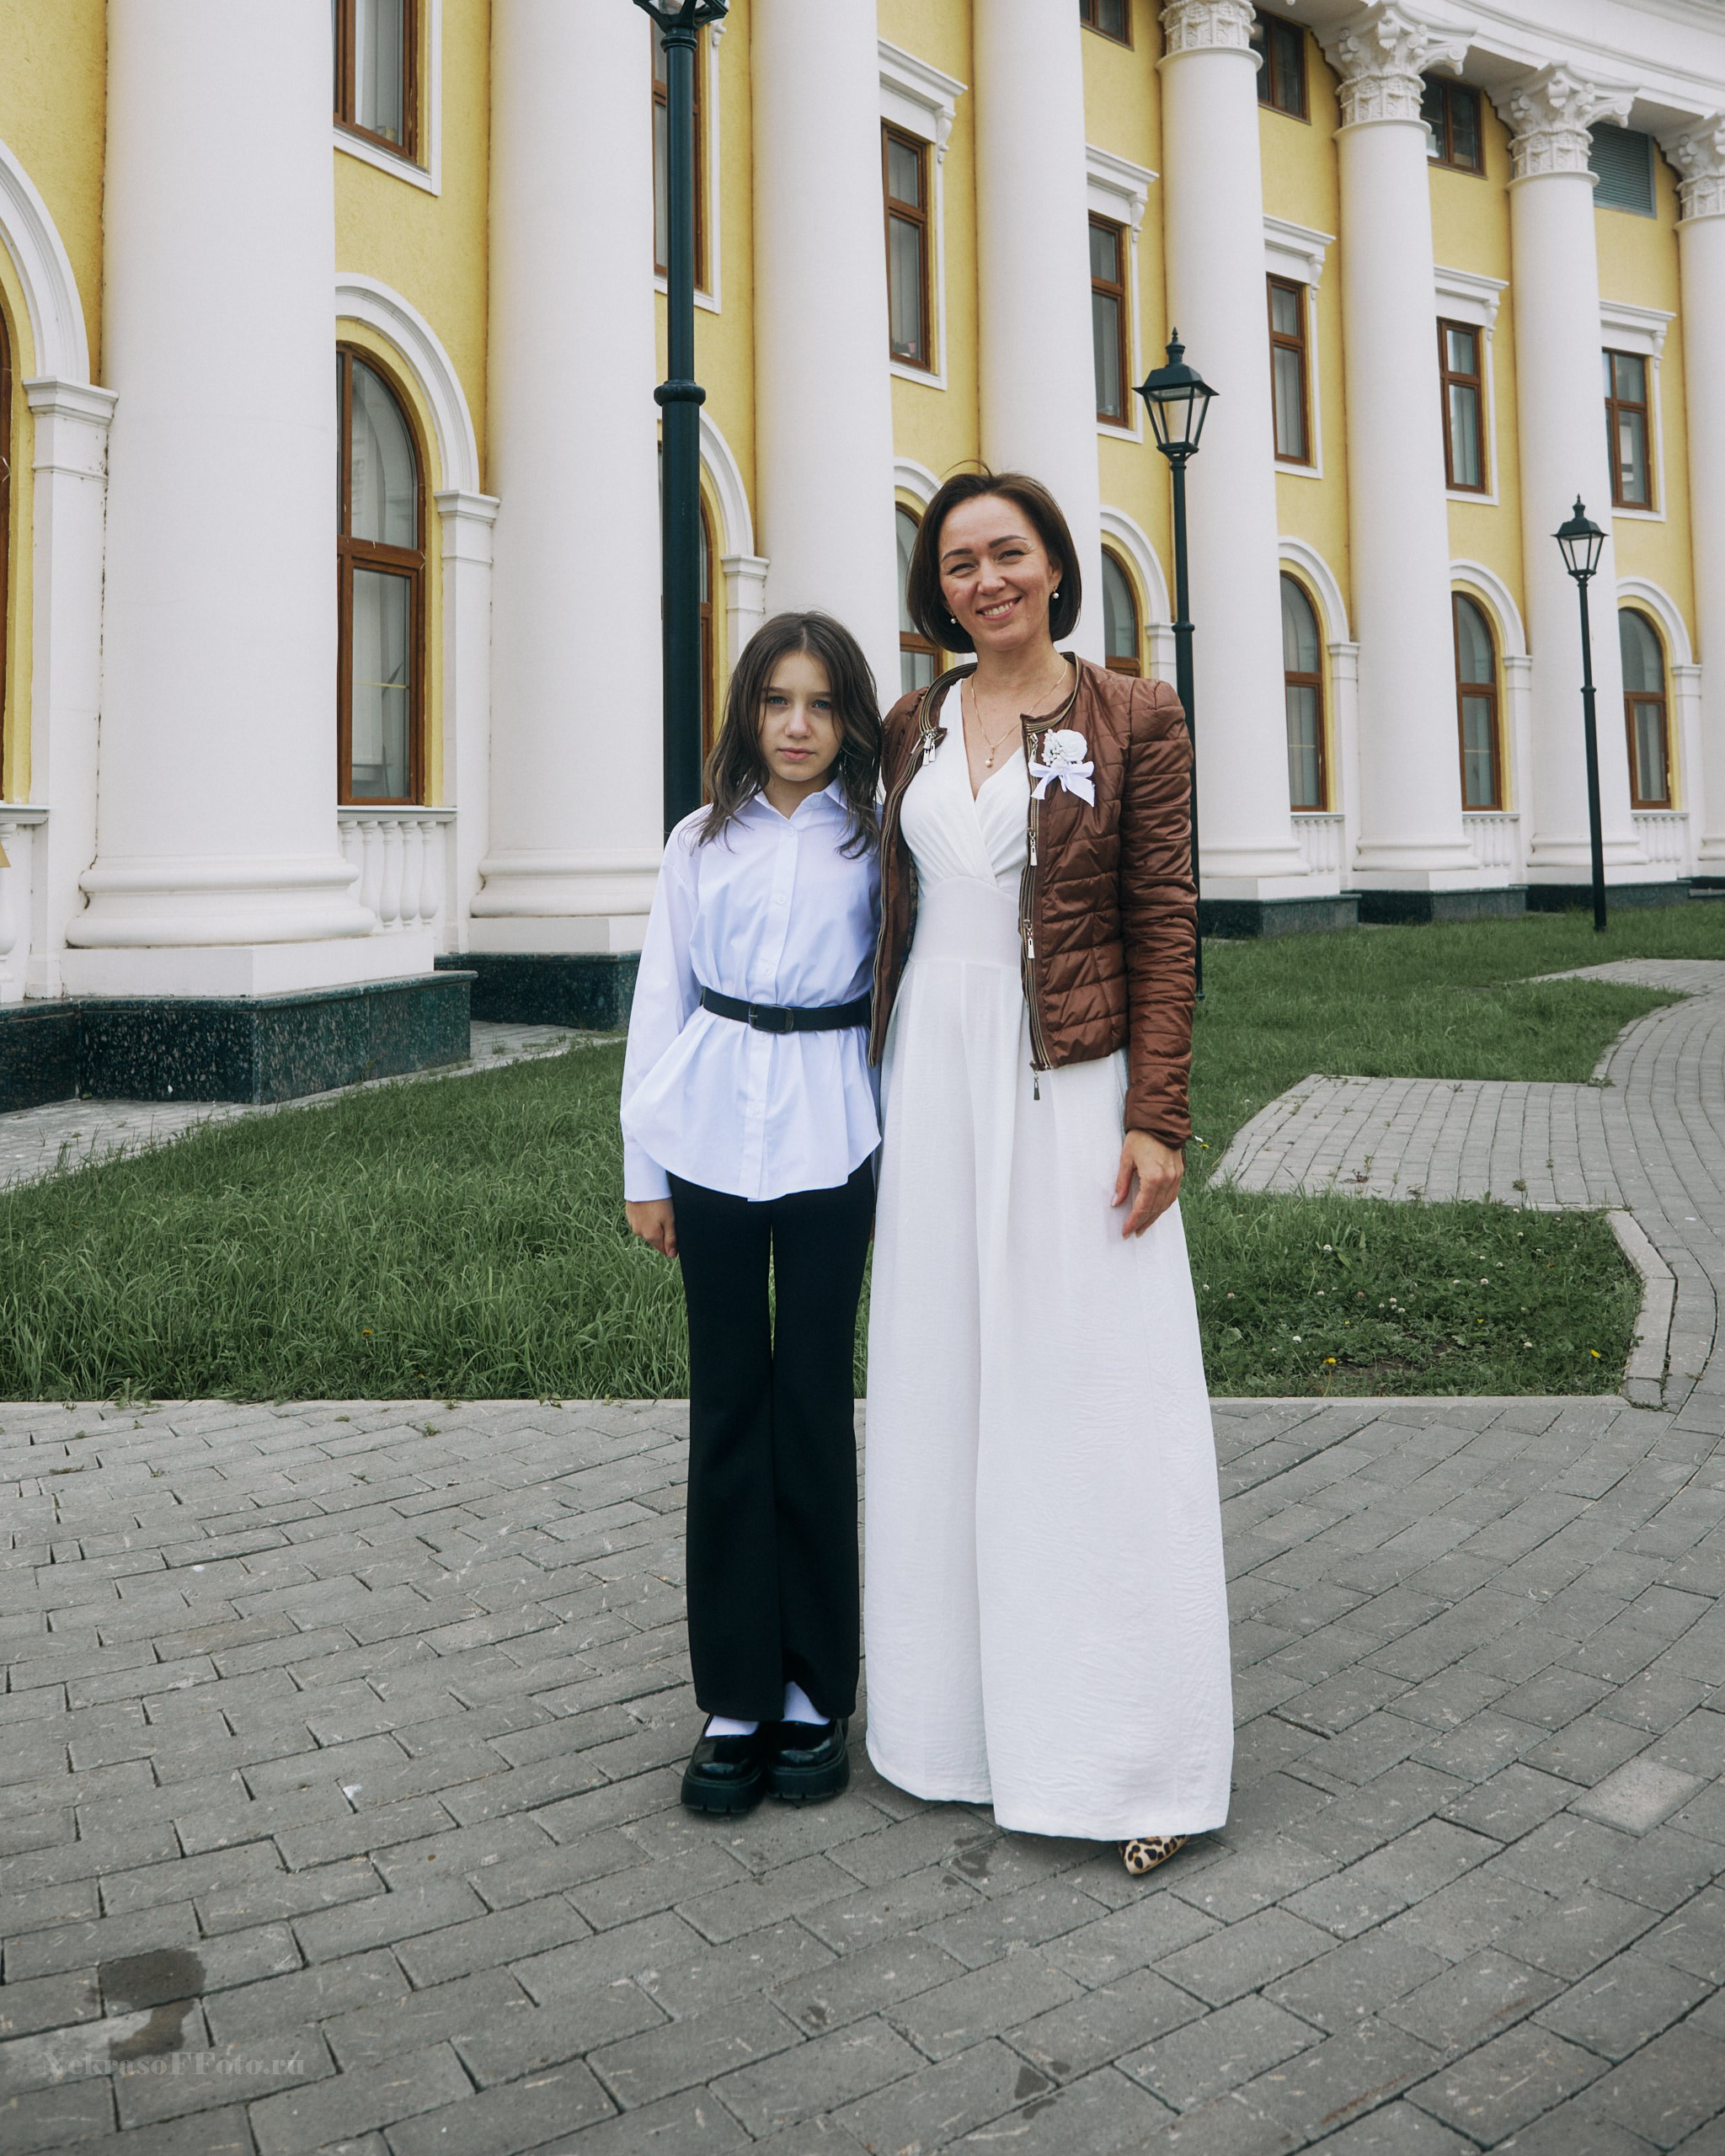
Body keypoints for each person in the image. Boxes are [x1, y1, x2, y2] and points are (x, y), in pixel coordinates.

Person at [862, 471, 1232, 1876]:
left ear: (1057, 568)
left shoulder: (1137, 716)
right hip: (932, 1089)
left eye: (1008, 552)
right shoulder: (911, 724)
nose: (986, 579)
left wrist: (1158, 1114)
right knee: (944, 1393)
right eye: (959, 562)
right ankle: (950, 1733)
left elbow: (1165, 920)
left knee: (1094, 1404)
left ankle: (1135, 1759)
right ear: (938, 591)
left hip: (1070, 1087)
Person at [622, 611, 883, 1816]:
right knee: (729, 1401)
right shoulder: (700, 841)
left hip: (838, 1138)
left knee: (813, 1403)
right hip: (713, 1132)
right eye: (778, 701)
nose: (797, 725)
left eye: (821, 705)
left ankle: (814, 1692)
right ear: (747, 711)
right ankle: (735, 1695)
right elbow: (661, 996)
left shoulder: (877, 842)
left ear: (850, 719)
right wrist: (646, 1167)